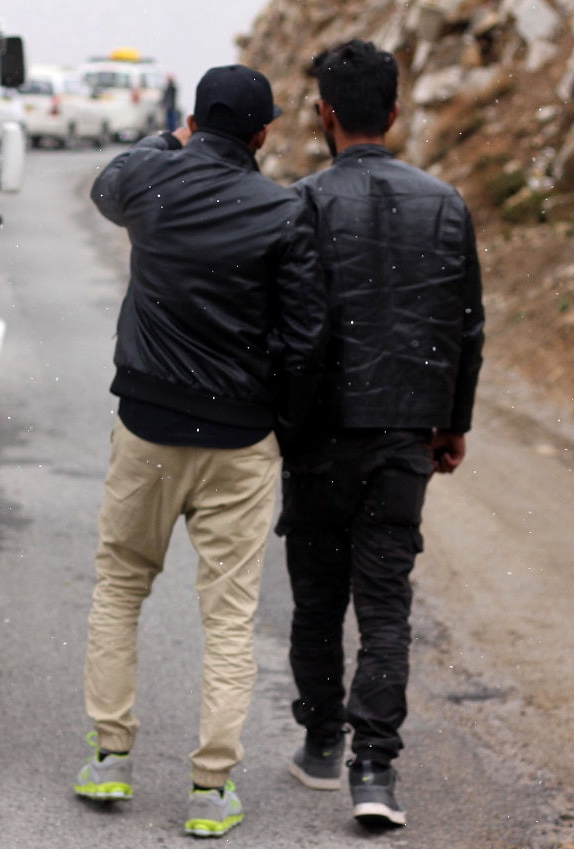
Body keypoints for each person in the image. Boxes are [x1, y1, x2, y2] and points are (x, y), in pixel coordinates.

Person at [75, 65, 327, 838]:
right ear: (263, 133)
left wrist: (169, 139)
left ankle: (111, 758)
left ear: (192, 121)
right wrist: (279, 424)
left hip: (148, 424)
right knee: (229, 616)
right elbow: (305, 338)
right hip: (239, 440)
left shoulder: (153, 184)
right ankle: (210, 788)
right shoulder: (284, 212)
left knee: (121, 586)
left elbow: (105, 182)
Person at [277, 39, 485, 829]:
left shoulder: (304, 200)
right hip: (406, 432)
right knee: (386, 600)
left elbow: (293, 331)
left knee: (318, 596)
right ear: (394, 111)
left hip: (324, 434)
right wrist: (452, 422)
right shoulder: (446, 201)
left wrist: (287, 423)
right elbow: (468, 327)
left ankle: (323, 741)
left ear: (325, 113)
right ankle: (376, 769)